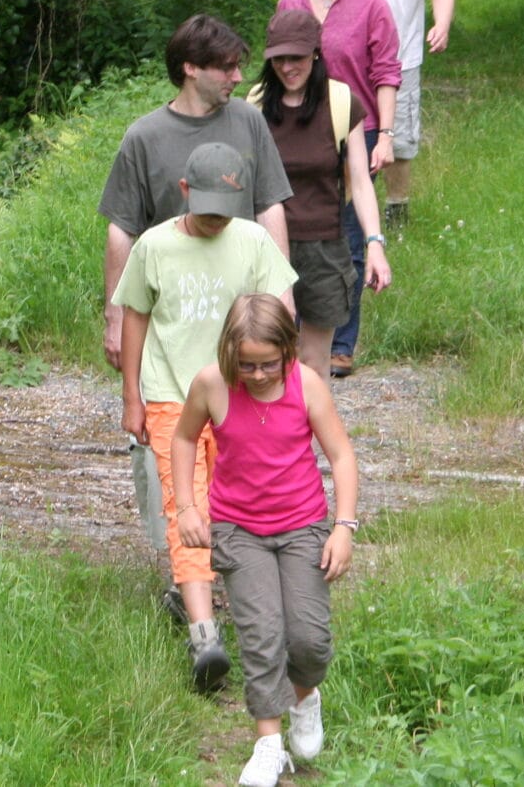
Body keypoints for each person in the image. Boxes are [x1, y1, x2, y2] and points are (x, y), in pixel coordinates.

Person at [98, 15, 293, 600]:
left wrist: (281, 306)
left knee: (244, 444)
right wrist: (114, 314)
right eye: (227, 67)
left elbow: (271, 209)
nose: (238, 75)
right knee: (165, 440)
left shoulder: (249, 123)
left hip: (239, 324)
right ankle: (181, 567)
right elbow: (121, 232)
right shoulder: (145, 137)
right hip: (169, 319)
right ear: (190, 68)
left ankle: (237, 562)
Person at [113, 143, 299, 692]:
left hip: (239, 396)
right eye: (208, 205)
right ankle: (204, 634)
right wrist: (131, 395)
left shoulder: (254, 241)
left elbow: (283, 312)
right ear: (185, 192)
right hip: (172, 394)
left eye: (227, 206)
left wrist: (284, 390)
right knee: (183, 506)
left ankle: (248, 608)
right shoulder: (154, 247)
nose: (218, 217)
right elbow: (135, 318)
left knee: (237, 502)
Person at [171, 293, 359, 787]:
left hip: (303, 526)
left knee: (309, 640)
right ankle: (268, 744)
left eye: (267, 365)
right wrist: (189, 507)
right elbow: (184, 438)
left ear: (289, 352)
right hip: (239, 529)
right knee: (261, 636)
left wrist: (344, 527)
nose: (256, 376)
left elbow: (340, 455)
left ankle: (304, 697)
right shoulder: (212, 384)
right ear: (230, 354)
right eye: (246, 365)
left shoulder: (308, 386)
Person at [277, 0, 400, 376]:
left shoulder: (371, 6)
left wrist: (385, 135)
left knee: (347, 232)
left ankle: (339, 343)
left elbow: (386, 73)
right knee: (297, 229)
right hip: (300, 128)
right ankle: (294, 329)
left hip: (357, 127)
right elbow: (278, 63)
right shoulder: (292, 1)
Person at [249, 7, 391, 377]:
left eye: (295, 57)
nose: (287, 67)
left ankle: (308, 437)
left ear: (315, 53)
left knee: (314, 364)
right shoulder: (257, 104)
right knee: (265, 361)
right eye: (278, 59)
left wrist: (374, 243)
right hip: (266, 246)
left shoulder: (341, 102)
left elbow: (360, 182)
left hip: (324, 250)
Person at [345, 0, 460, 230]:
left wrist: (441, 23)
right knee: (343, 132)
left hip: (401, 57)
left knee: (399, 139)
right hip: (346, 57)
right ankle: (344, 209)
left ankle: (396, 210)